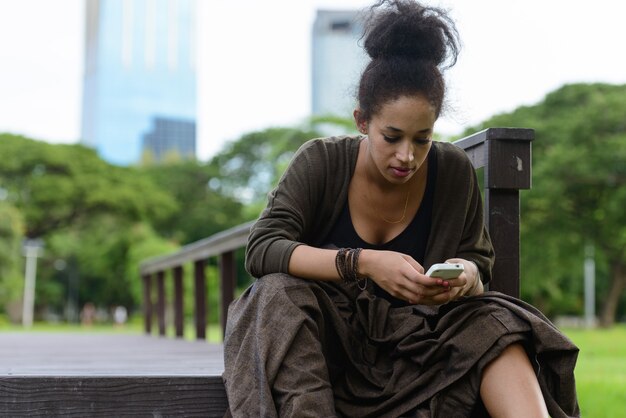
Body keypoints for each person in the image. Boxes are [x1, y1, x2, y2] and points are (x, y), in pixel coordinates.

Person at [223, 1, 580, 416]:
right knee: (274, 297)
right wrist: (364, 263)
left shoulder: (452, 170)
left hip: (418, 345)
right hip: (329, 346)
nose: (407, 156)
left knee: (498, 320)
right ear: (362, 121)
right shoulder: (321, 161)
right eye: (391, 137)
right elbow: (263, 249)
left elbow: (479, 264)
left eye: (422, 139)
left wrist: (466, 275)